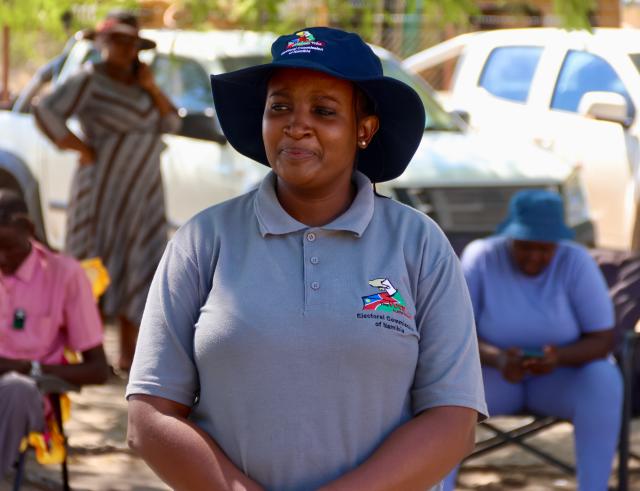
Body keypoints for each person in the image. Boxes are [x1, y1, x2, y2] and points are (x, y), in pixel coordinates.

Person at [126, 27, 488, 491]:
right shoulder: (203, 241)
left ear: (365, 129)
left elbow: (452, 419)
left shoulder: (419, 245)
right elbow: (149, 417)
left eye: (324, 110)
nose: (296, 124)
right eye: (280, 107)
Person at [443, 190, 622, 491]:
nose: (534, 257)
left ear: (558, 243)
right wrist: (499, 358)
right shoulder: (482, 255)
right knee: (444, 381)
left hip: (559, 379)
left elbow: (603, 339)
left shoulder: (576, 261)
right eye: (525, 246)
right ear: (510, 237)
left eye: (545, 248)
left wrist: (557, 358)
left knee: (604, 376)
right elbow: (454, 331)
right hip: (492, 378)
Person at [33, 11, 180, 371]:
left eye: (131, 42)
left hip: (142, 192)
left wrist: (150, 87)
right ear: (102, 44)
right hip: (100, 189)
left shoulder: (145, 82)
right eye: (117, 41)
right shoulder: (88, 79)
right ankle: (88, 353)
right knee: (93, 264)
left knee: (138, 265)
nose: (124, 49)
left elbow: (172, 121)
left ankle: (129, 355)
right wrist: (79, 147)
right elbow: (45, 111)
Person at [0, 189, 109, 476]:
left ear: (30, 231)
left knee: (16, 389)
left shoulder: (64, 275)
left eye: (7, 246)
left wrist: (30, 368)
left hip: (25, 392)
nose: (1, 257)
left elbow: (98, 370)